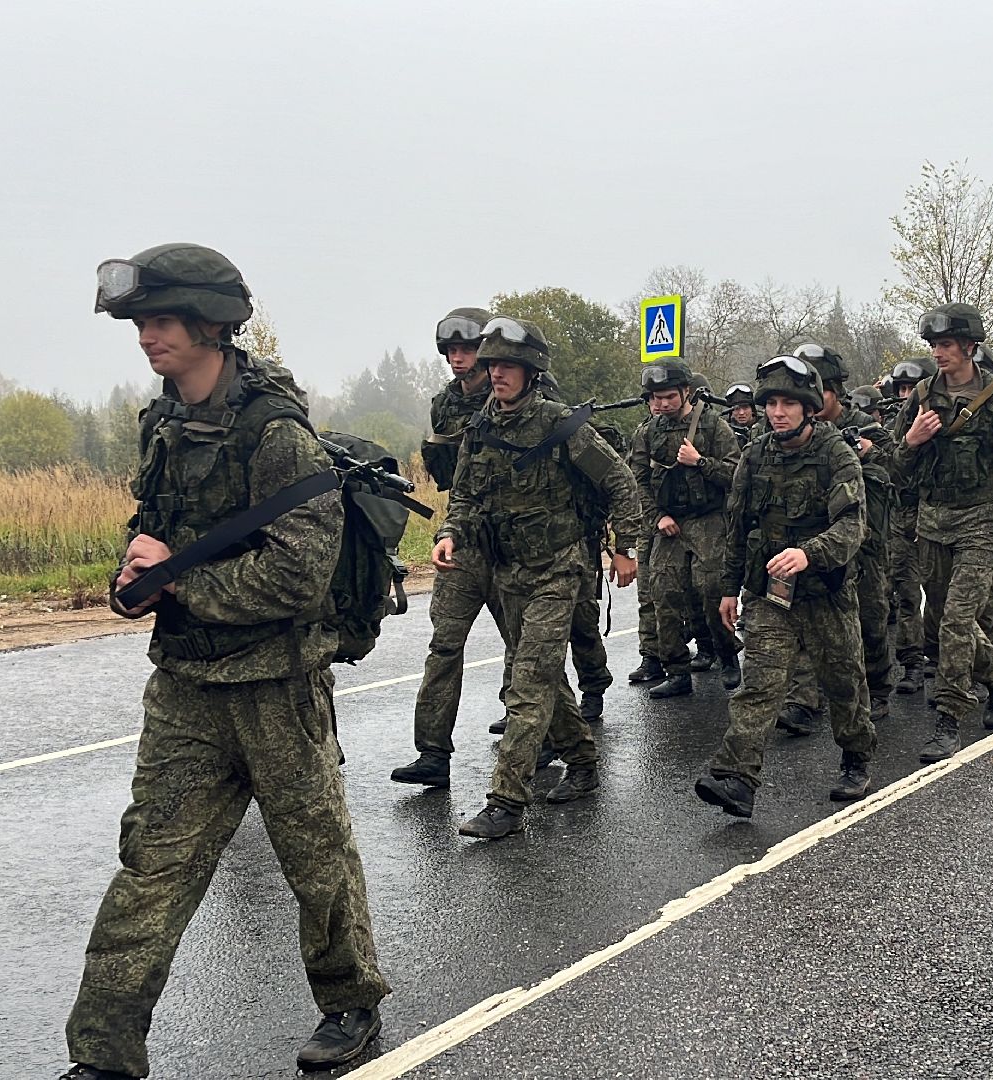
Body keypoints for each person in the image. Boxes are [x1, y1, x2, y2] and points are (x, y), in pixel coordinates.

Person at [65, 245, 387, 1078]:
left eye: (161, 320)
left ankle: (350, 1003)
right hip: (185, 689)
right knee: (151, 865)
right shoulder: (162, 422)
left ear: (211, 323)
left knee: (315, 860)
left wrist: (181, 586)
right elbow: (158, 531)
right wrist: (136, 576)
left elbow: (300, 572)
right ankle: (103, 1054)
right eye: (140, 322)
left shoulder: (277, 436)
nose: (147, 337)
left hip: (275, 684)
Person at [435, 318, 642, 840]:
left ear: (530, 372)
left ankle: (506, 801)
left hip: (559, 567)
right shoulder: (480, 427)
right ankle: (583, 761)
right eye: (492, 365)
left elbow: (619, 480)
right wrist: (450, 534)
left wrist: (626, 548)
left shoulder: (560, 424)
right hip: (508, 572)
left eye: (507, 365)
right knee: (545, 677)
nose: (497, 373)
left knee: (526, 683)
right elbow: (464, 495)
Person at [694, 356, 876, 817]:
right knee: (760, 684)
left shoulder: (836, 454)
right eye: (771, 403)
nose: (778, 412)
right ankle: (737, 777)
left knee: (843, 682)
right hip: (770, 594)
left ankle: (856, 756)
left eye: (788, 404)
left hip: (826, 592)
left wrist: (810, 552)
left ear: (809, 407)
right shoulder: (754, 456)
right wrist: (729, 589)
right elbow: (737, 527)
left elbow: (854, 525)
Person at [894, 304, 993, 761]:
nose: (938, 353)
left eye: (945, 345)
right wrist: (911, 441)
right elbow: (892, 468)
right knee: (940, 621)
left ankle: (948, 718)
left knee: (960, 620)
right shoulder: (921, 397)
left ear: (969, 346)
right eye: (933, 346)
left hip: (983, 521)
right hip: (932, 521)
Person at [391, 308, 504, 787]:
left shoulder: (520, 395)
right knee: (444, 646)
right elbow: (451, 478)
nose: (459, 359)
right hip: (464, 538)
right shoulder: (444, 403)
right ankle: (433, 752)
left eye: (467, 350)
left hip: (516, 545)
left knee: (528, 648)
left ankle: (541, 738)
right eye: (452, 352)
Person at [775, 343, 894, 732]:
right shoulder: (787, 426)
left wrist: (872, 453)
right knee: (803, 620)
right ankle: (803, 701)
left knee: (870, 618)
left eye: (818, 389)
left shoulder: (866, 425)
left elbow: (902, 470)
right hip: (810, 541)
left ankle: (876, 686)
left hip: (865, 538)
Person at [628, 360, 741, 699]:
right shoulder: (647, 432)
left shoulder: (713, 426)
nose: (661, 404)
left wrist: (701, 462)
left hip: (708, 518)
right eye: (655, 398)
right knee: (663, 595)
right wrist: (658, 516)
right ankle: (676, 670)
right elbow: (638, 481)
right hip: (670, 521)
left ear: (686, 392)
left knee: (710, 592)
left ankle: (726, 654)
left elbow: (737, 475)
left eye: (668, 397)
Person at [884, 359, 932, 696]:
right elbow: (887, 468)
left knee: (948, 599)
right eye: (900, 389)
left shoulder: (944, 422)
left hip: (936, 518)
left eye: (910, 389)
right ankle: (913, 661)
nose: (904, 396)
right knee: (905, 596)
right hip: (899, 520)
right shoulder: (892, 427)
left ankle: (955, 662)